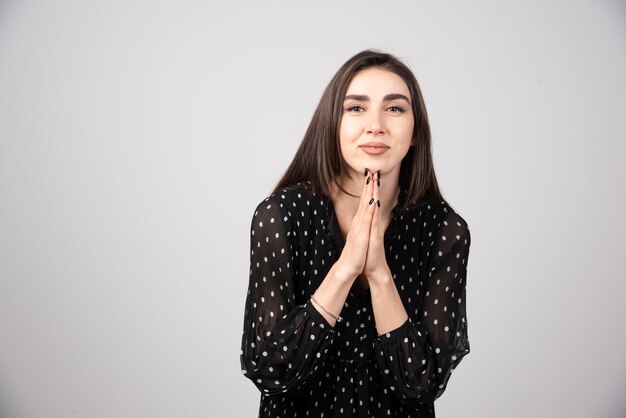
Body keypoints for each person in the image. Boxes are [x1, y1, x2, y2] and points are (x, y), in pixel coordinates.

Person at [239, 49, 471, 418]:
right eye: (356, 108)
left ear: (415, 133)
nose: (376, 125)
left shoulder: (444, 231)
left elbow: (421, 385)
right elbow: (272, 370)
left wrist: (379, 274)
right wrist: (346, 267)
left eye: (394, 108)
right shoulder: (281, 216)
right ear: (333, 124)